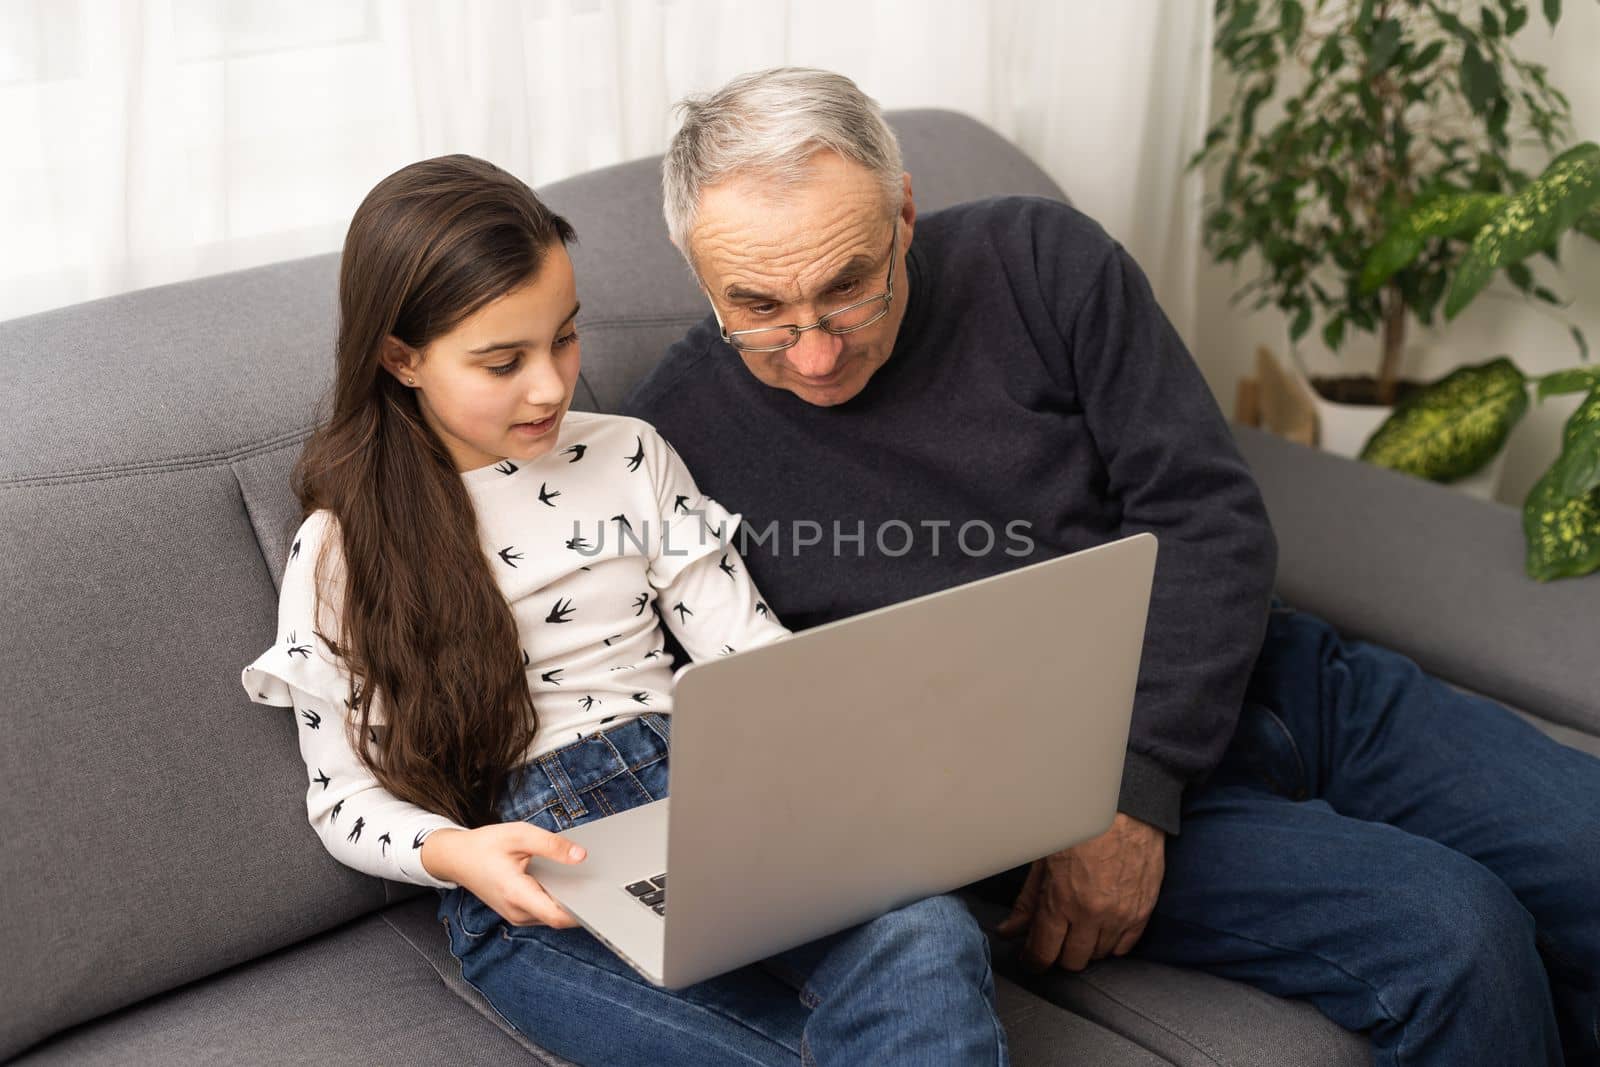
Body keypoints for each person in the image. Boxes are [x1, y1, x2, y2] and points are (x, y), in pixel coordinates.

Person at [625, 67, 1600, 1067]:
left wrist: (1135, 786)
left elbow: (1205, 510)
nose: (815, 353)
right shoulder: (664, 448)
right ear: (696, 272)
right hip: (1036, 797)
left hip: (1269, 677)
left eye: (847, 288)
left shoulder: (1042, 260)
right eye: (758, 309)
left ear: (905, 213)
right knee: (1455, 933)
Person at [239, 154, 1009, 1067]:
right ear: (400, 357)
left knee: (927, 934)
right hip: (533, 877)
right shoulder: (341, 547)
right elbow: (342, 797)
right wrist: (459, 855)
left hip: (713, 800)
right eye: (502, 361)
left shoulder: (631, 455)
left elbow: (747, 652)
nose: (552, 385)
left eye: (564, 338)